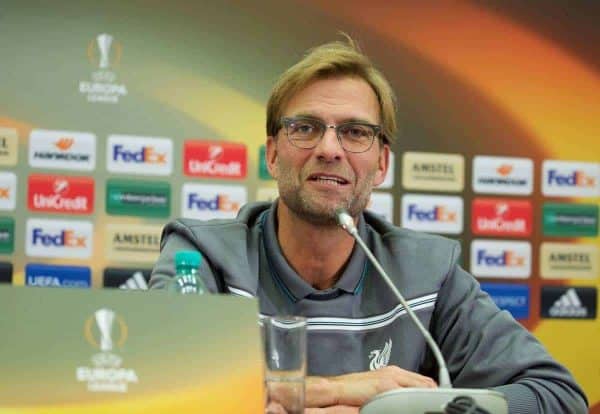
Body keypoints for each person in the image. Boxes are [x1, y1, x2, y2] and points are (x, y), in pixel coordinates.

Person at [150, 35, 588, 413]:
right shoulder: (200, 256)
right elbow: (156, 386)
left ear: (380, 164)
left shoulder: (426, 273)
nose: (329, 149)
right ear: (272, 153)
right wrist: (345, 391)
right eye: (305, 128)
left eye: (355, 132)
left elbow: (557, 395)